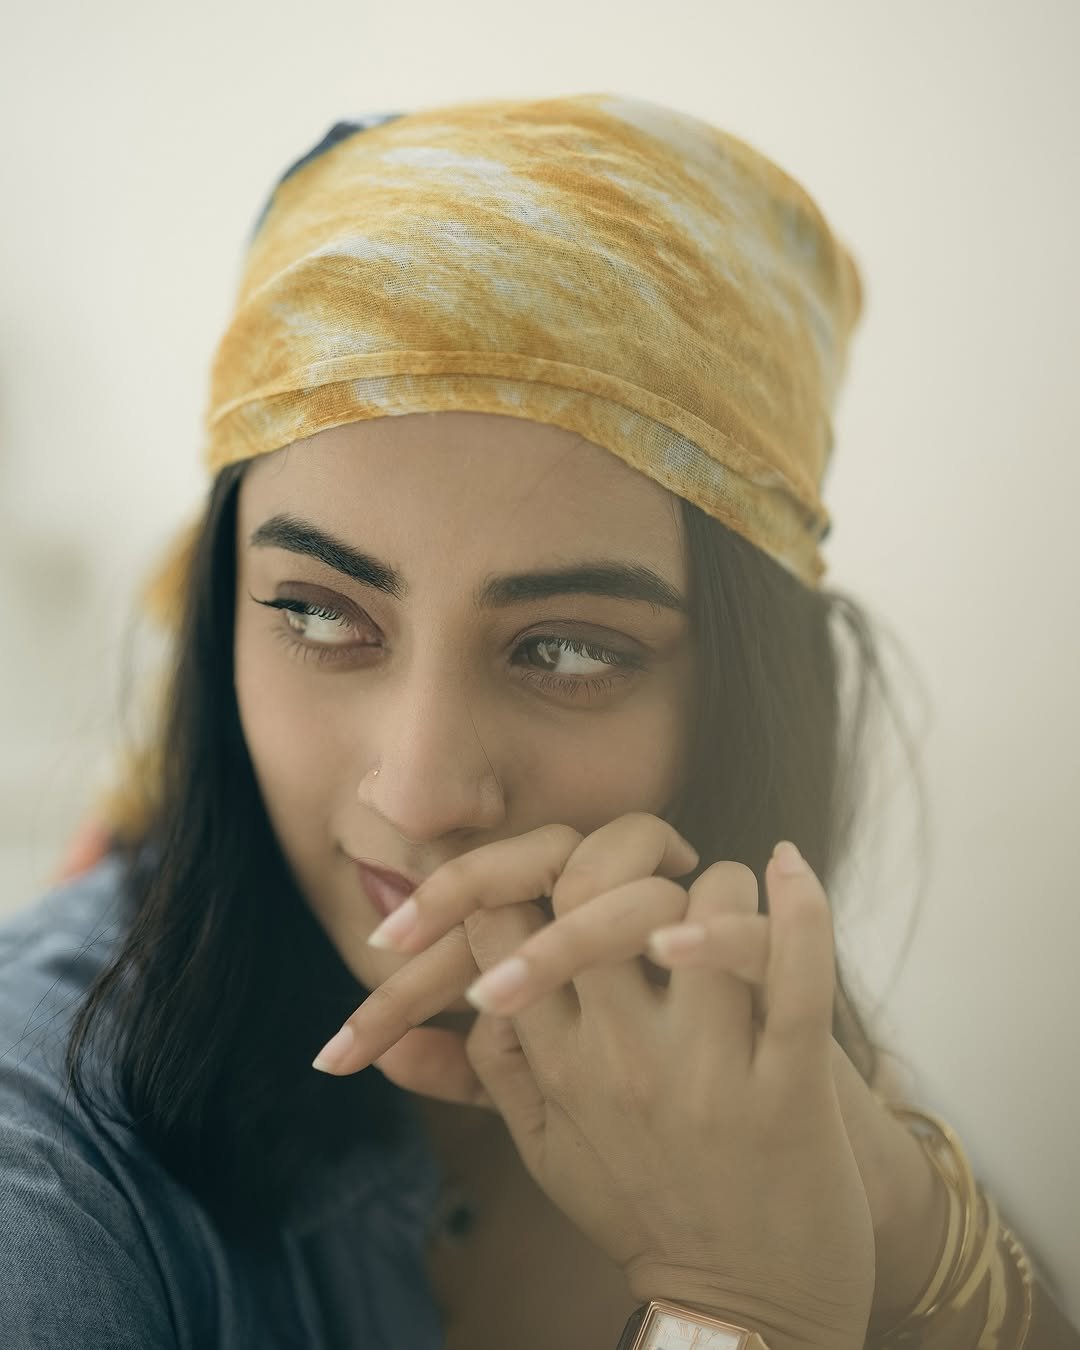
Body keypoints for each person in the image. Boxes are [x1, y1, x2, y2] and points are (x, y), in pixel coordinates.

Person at [1, 93, 1075, 1350]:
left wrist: (909, 1222)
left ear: (741, 697)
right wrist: (743, 1309)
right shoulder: (42, 1161)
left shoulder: (723, 1041)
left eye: (565, 651)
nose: (419, 789)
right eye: (321, 614)